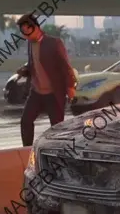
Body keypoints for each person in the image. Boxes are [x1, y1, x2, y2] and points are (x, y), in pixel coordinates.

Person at [17, 14, 76, 146]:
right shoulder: (30, 44)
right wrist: (24, 70)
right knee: (25, 121)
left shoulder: (54, 43)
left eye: (27, 32)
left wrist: (70, 87)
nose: (26, 36)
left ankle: (58, 153)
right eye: (23, 33)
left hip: (53, 93)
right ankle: (27, 150)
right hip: (36, 92)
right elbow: (34, 63)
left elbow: (65, 66)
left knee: (57, 127)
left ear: (36, 27)